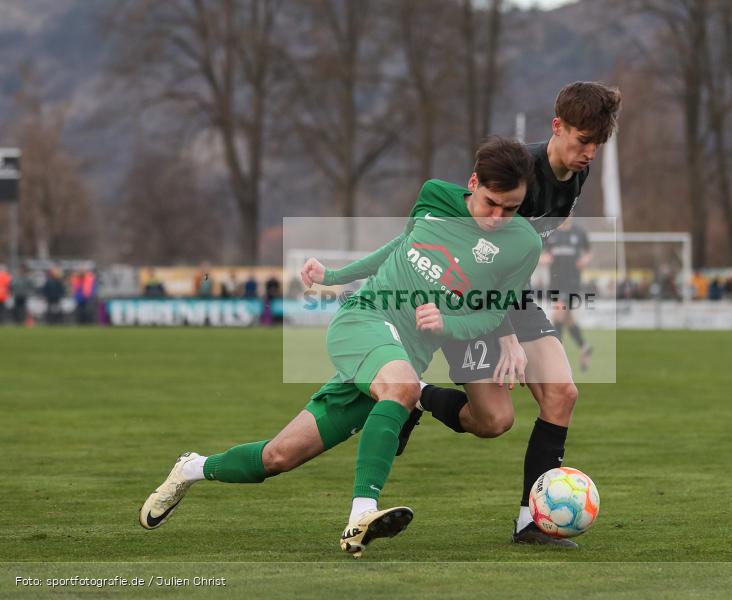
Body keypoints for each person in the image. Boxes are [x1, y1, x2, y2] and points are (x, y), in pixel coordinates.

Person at [139, 137, 542, 558]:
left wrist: (451, 322)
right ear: (473, 182)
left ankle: (191, 468)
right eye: (491, 203)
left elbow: (494, 314)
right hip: (364, 320)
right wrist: (335, 276)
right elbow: (397, 250)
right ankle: (361, 515)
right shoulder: (435, 196)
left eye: (510, 208)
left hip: (399, 356)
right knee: (405, 389)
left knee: (277, 457)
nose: (498, 217)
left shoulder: (524, 245)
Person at [342, 82, 620, 548]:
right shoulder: (520, 174)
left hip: (511, 297)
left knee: (562, 394)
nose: (589, 152)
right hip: (469, 298)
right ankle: (419, 395)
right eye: (581, 141)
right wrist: (505, 334)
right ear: (557, 128)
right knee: (493, 421)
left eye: (596, 144)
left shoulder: (576, 172)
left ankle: (530, 522)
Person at [541, 217, 593, 371]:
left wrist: (585, 260)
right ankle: (584, 346)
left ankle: (556, 356)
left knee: (558, 314)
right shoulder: (551, 233)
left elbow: (589, 252)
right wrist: (543, 258)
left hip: (572, 283)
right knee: (567, 318)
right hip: (555, 283)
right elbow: (539, 250)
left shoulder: (579, 232)